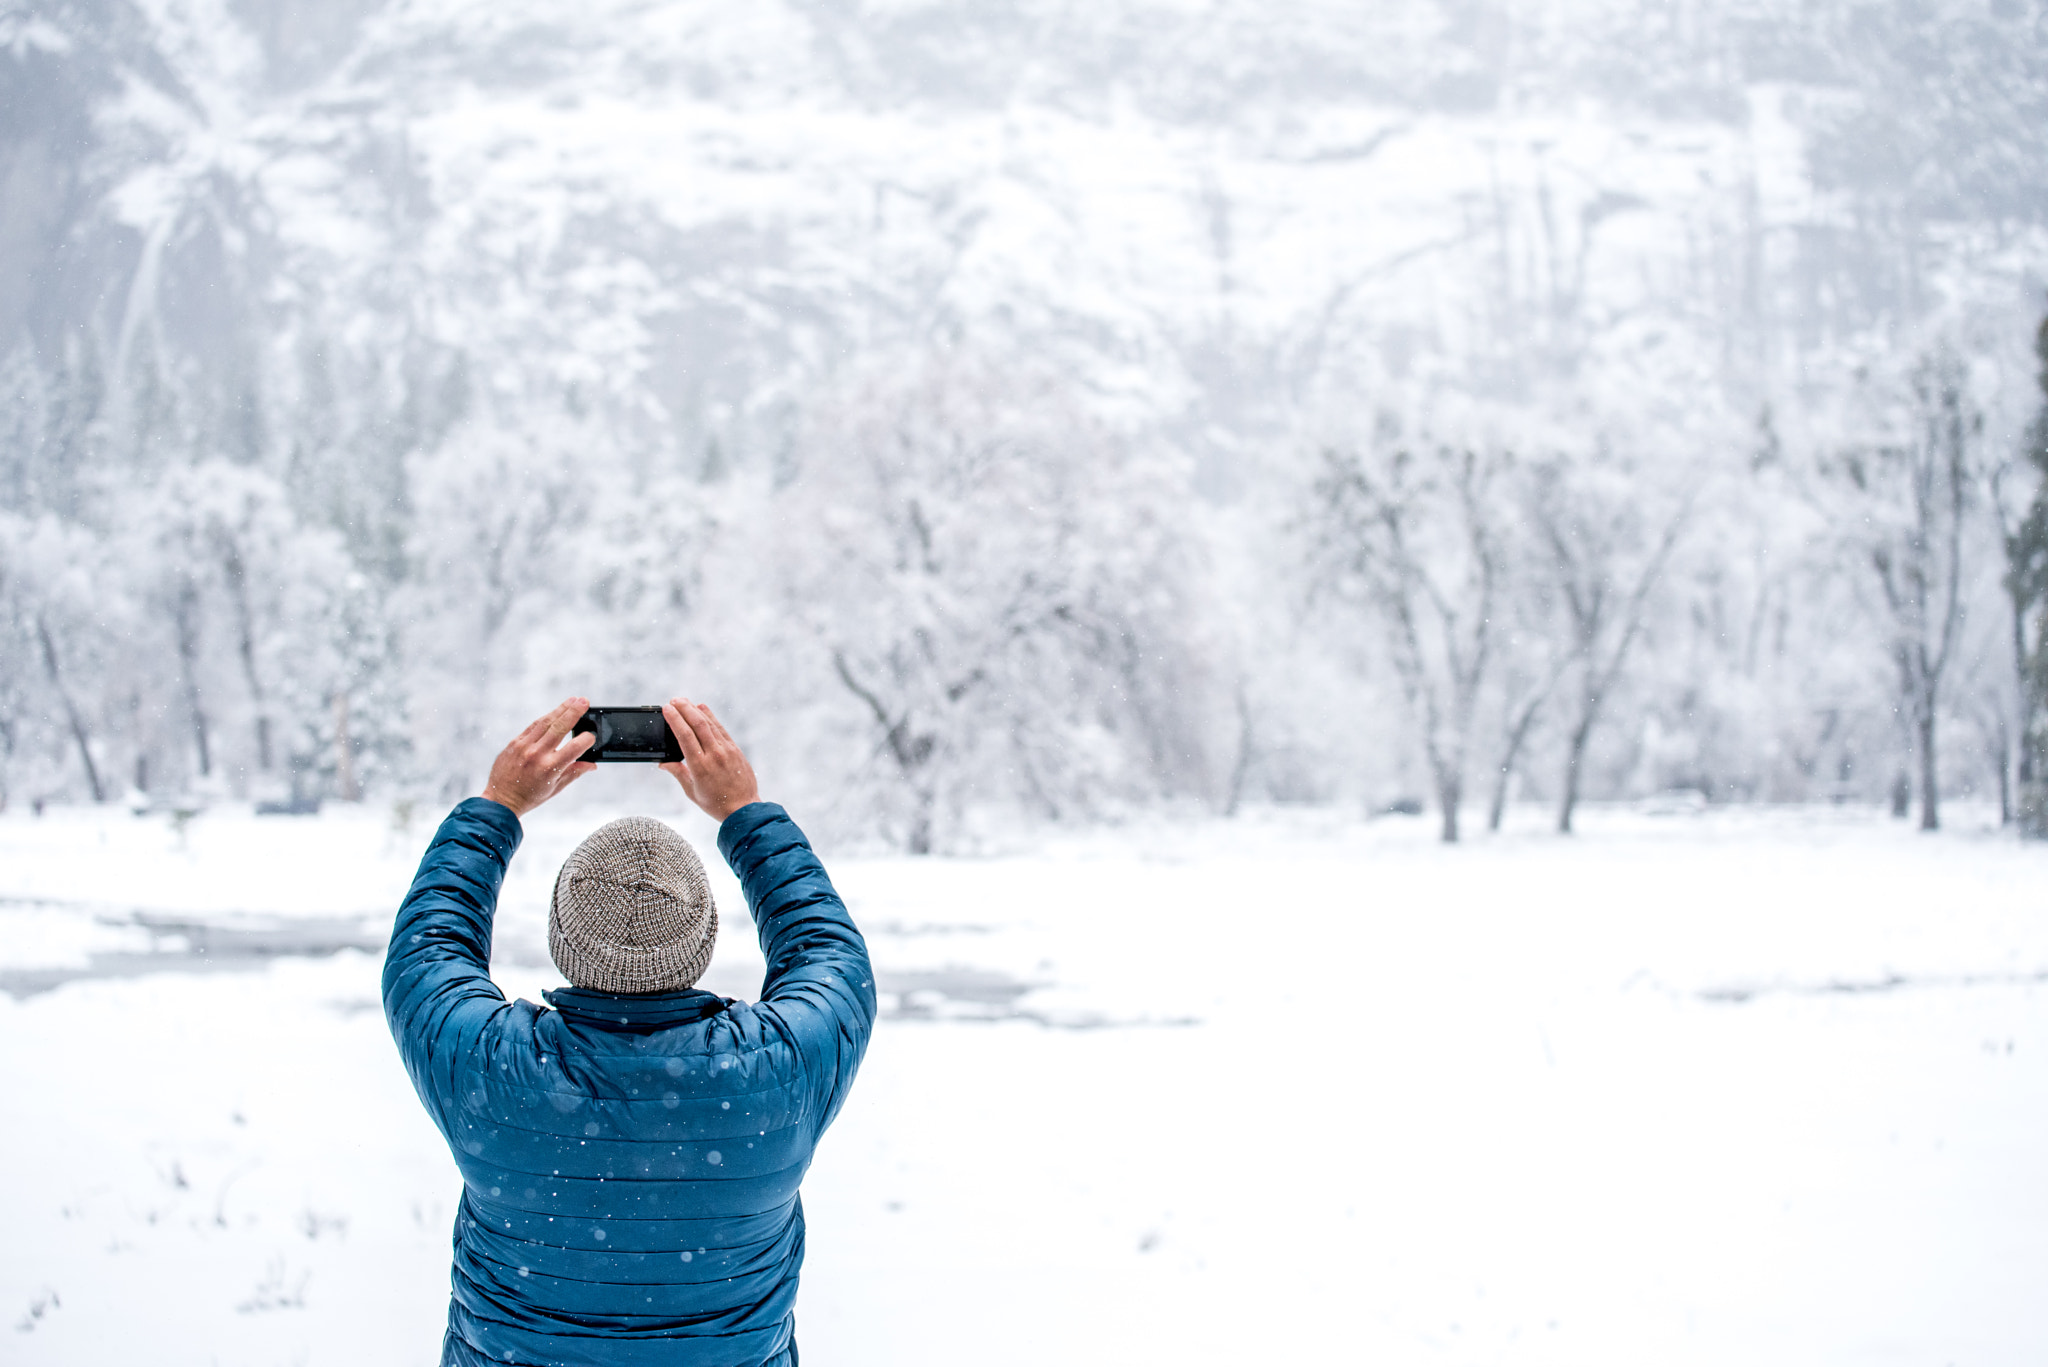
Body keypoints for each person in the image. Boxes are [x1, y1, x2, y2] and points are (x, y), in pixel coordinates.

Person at [383, 696, 875, 1367]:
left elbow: (427, 953)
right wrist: (745, 812)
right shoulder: (777, 1071)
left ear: (562, 937)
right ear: (703, 939)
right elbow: (830, 956)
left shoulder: (492, 1068)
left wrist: (498, 804)